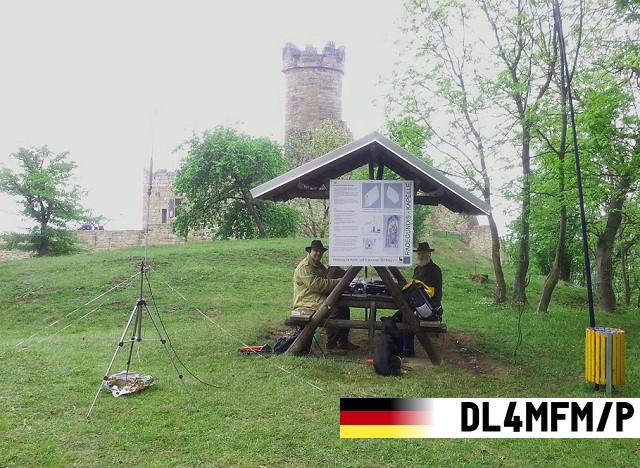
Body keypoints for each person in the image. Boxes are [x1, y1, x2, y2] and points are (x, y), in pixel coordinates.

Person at [292, 239, 359, 352]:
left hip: (319, 299)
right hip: (308, 302)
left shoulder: (318, 265)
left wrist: (339, 270)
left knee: (344, 308)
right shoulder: (305, 267)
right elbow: (318, 285)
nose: (318, 253)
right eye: (315, 250)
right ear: (310, 251)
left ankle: (343, 341)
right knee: (335, 311)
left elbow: (327, 277)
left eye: (320, 251)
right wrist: (338, 282)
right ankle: (331, 345)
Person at [395, 241, 443, 357]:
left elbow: (419, 287)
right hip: (418, 303)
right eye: (419, 254)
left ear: (429, 254)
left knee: (407, 315)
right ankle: (399, 347)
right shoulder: (417, 269)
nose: (421, 256)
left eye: (424, 253)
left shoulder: (434, 270)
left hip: (430, 305)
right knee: (397, 316)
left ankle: (408, 349)